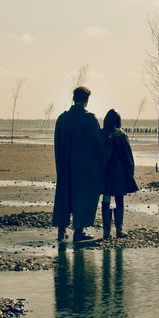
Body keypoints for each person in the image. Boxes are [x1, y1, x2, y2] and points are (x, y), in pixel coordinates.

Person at [52, 86, 107, 242]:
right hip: (84, 168)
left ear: (73, 98)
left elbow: (57, 143)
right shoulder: (89, 119)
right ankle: (79, 231)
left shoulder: (62, 119)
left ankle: (61, 231)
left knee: (64, 196)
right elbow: (98, 143)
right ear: (86, 100)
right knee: (83, 197)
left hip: (64, 166)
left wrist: (60, 164)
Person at [101, 109, 139, 239]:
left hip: (106, 174)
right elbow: (128, 156)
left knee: (105, 200)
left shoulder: (102, 135)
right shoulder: (121, 136)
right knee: (119, 201)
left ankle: (106, 232)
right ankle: (119, 230)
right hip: (119, 175)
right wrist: (130, 172)